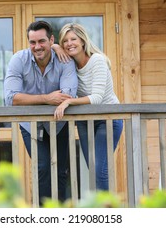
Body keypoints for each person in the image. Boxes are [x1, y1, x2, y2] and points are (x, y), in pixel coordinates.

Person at [4, 20, 78, 203]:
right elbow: (11, 98)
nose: (37, 47)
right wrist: (47, 98)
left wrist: (29, 99)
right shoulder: (18, 60)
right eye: (32, 42)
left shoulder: (64, 60)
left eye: (42, 41)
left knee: (61, 170)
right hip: (31, 125)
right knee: (43, 167)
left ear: (51, 40)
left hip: (60, 122)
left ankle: (59, 214)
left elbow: (67, 95)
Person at [53, 23, 123, 191]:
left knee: (100, 171)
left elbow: (97, 98)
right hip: (85, 121)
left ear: (83, 41)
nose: (69, 43)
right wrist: (55, 46)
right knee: (93, 170)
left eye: (73, 39)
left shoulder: (97, 61)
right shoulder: (69, 66)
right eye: (65, 41)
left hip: (108, 119)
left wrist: (68, 101)